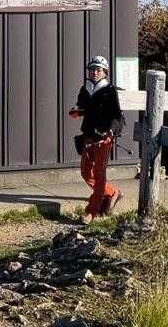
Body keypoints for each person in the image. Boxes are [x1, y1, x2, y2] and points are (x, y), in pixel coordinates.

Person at [68, 56, 124, 224]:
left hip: (103, 138)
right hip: (88, 135)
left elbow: (118, 116)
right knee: (86, 172)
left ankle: (91, 212)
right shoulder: (85, 89)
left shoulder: (111, 91)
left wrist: (111, 132)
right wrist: (77, 112)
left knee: (99, 174)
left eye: (98, 69)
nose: (94, 72)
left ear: (105, 72)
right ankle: (112, 192)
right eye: (92, 69)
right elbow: (84, 107)